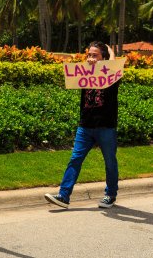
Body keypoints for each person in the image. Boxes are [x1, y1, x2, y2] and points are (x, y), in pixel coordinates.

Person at [44, 41, 120, 209]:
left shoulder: (112, 74)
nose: (91, 58)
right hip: (85, 126)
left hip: (106, 126)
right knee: (75, 159)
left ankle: (110, 194)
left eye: (95, 55)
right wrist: (94, 63)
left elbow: (113, 65)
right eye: (89, 55)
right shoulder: (85, 72)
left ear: (104, 58)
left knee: (110, 162)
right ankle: (64, 196)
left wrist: (108, 52)